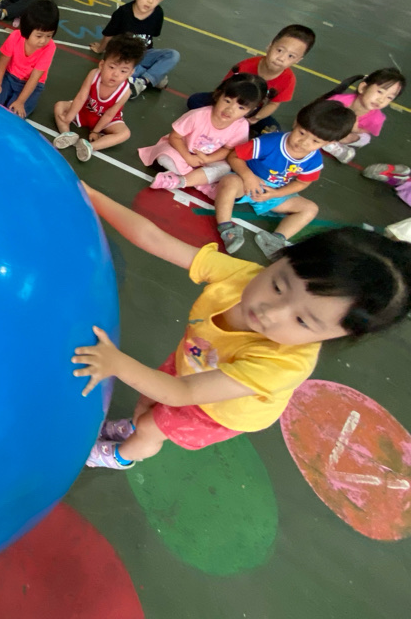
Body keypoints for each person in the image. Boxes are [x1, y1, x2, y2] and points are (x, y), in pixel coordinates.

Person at [72, 186, 411, 470]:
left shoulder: (282, 364)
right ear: (280, 258)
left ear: (335, 336)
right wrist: (91, 196)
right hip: (193, 362)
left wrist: (116, 363)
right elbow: (155, 240)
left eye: (302, 321)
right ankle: (131, 427)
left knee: (150, 427)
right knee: (146, 405)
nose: (271, 311)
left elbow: (182, 394)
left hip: (217, 409)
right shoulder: (243, 275)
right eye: (278, 285)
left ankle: (121, 455)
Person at [213, 99, 355, 258]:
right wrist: (248, 177)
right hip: (246, 184)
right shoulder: (270, 142)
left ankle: (276, 239)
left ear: (329, 143)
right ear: (296, 122)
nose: (303, 142)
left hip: (273, 193)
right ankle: (226, 228)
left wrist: (276, 193)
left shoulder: (314, 160)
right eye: (302, 133)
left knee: (310, 209)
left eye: (315, 141)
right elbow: (234, 156)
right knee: (229, 182)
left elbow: (303, 182)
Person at [139, 73, 266, 191]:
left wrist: (208, 158)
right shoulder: (198, 115)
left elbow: (228, 149)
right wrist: (188, 157)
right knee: (164, 157)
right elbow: (174, 137)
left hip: (207, 159)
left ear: (250, 111)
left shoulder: (241, 126)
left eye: (241, 107)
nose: (230, 110)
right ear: (218, 95)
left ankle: (181, 180)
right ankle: (199, 181)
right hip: (182, 151)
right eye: (227, 101)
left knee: (225, 168)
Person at [186, 25, 316, 136]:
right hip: (230, 104)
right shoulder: (244, 66)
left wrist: (255, 118)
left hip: (253, 111)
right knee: (195, 100)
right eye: (279, 50)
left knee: (273, 130)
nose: (281, 58)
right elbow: (223, 91)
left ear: (298, 60)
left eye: (291, 56)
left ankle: (238, 128)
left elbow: (274, 104)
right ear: (270, 46)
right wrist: (223, 110)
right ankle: (234, 127)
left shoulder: (288, 80)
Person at [52, 34, 146, 162]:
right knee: (59, 106)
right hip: (85, 110)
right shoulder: (93, 75)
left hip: (105, 120)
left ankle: (90, 146)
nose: (115, 74)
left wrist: (96, 131)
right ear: (102, 64)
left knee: (125, 134)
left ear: (131, 73)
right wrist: (69, 118)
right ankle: (66, 133)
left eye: (123, 71)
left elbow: (109, 114)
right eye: (112, 67)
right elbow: (80, 97)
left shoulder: (125, 92)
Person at [89, 0, 178, 98]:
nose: (151, 0)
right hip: (125, 58)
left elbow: (151, 38)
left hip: (145, 53)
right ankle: (153, 76)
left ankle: (143, 81)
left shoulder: (158, 13)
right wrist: (100, 49)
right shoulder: (123, 13)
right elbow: (109, 34)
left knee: (173, 55)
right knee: (121, 72)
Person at [0, 0, 59, 117]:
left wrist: (20, 101)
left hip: (32, 86)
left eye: (49, 36)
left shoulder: (50, 47)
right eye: (39, 36)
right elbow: (2, 63)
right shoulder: (15, 37)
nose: (43, 40)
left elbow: (35, 78)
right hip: (9, 78)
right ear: (27, 29)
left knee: (14, 114)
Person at [318, 68, 406, 164]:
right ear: (363, 88)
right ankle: (331, 143)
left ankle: (333, 144)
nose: (381, 100)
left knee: (365, 138)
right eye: (380, 92)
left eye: (389, 97)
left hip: (346, 134)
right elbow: (318, 114)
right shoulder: (338, 101)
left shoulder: (377, 119)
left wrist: (356, 130)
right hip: (329, 125)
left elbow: (368, 131)